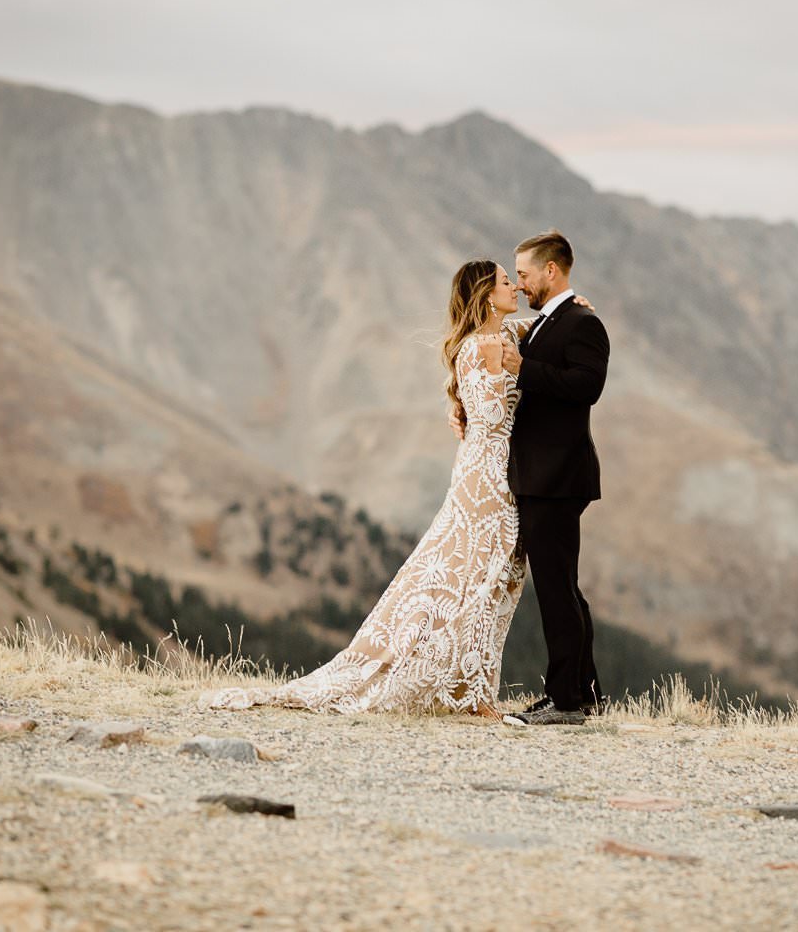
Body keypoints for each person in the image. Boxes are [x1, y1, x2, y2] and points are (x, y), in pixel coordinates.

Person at [202, 260, 547, 718]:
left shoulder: (503, 336)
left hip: (506, 476)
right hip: (484, 478)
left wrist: (565, 308)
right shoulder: (477, 349)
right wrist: (499, 374)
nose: (515, 288)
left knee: (501, 579)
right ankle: (470, 694)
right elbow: (489, 417)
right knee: (474, 580)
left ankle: (473, 687)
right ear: (487, 294)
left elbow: (531, 326)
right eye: (506, 282)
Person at [453, 230, 610, 726]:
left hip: (556, 477)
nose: (519, 284)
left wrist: (525, 370)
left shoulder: (583, 322)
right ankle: (583, 694)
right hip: (540, 476)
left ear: (551, 271)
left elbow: (588, 386)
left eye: (523, 274)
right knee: (565, 588)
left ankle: (564, 702)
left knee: (557, 590)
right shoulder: (546, 323)